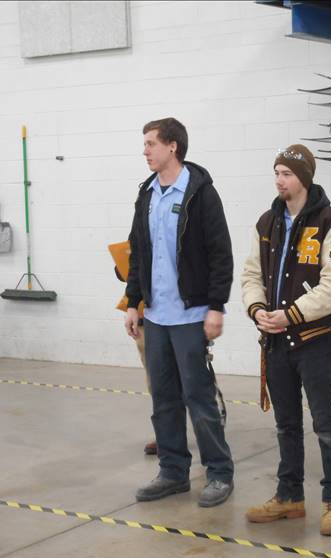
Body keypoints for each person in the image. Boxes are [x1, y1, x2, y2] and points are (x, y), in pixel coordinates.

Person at [241, 144, 331, 536]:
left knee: (325, 423)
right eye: (276, 173)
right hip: (275, 342)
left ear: (304, 178)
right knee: (286, 424)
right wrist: (257, 308)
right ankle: (289, 496)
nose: (279, 180)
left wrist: (292, 314)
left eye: (286, 174)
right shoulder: (266, 222)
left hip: (314, 341)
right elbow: (251, 274)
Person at [125, 117, 234, 508]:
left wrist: (216, 306)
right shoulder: (147, 194)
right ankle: (173, 472)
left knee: (198, 398)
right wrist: (133, 302)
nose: (145, 150)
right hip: (156, 316)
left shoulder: (200, 193)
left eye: (151, 143)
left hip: (190, 315)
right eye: (145, 144)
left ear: (173, 146)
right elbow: (138, 251)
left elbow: (220, 253)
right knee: (164, 398)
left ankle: (219, 473)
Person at [112, 259, 157, 456]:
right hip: (145, 315)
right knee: (155, 379)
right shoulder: (140, 239)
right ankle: (166, 434)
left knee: (187, 378)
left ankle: (206, 429)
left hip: (178, 315)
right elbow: (125, 273)